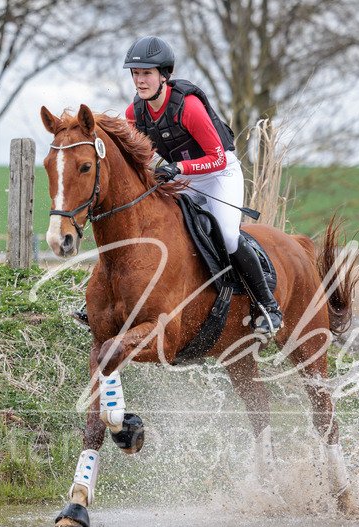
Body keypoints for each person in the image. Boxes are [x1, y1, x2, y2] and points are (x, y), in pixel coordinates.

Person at [123, 35, 283, 336]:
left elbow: (218, 158)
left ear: (164, 75)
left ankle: (267, 305)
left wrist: (178, 168)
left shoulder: (189, 107)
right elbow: (137, 159)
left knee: (227, 233)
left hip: (219, 174)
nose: (140, 80)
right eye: (135, 73)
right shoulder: (135, 113)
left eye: (146, 73)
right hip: (181, 176)